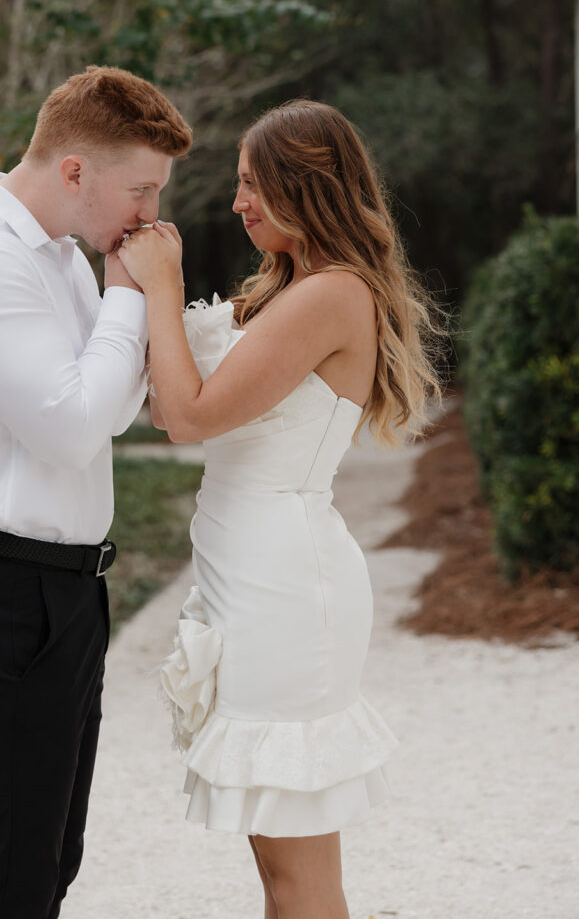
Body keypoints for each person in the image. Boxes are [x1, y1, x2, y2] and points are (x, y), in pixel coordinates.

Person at [118, 99, 443, 919]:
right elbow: (169, 403)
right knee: (277, 869)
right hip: (248, 577)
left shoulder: (331, 295)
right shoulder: (285, 290)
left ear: (310, 186)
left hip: (285, 591)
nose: (237, 204)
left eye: (252, 185)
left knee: (296, 873)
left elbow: (187, 418)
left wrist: (165, 282)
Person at [0, 65, 192, 919]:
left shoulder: (63, 257)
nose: (149, 213)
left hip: (63, 595)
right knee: (5, 885)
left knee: (48, 866)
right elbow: (74, 426)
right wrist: (126, 296)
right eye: (141, 188)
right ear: (75, 171)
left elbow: (119, 396)